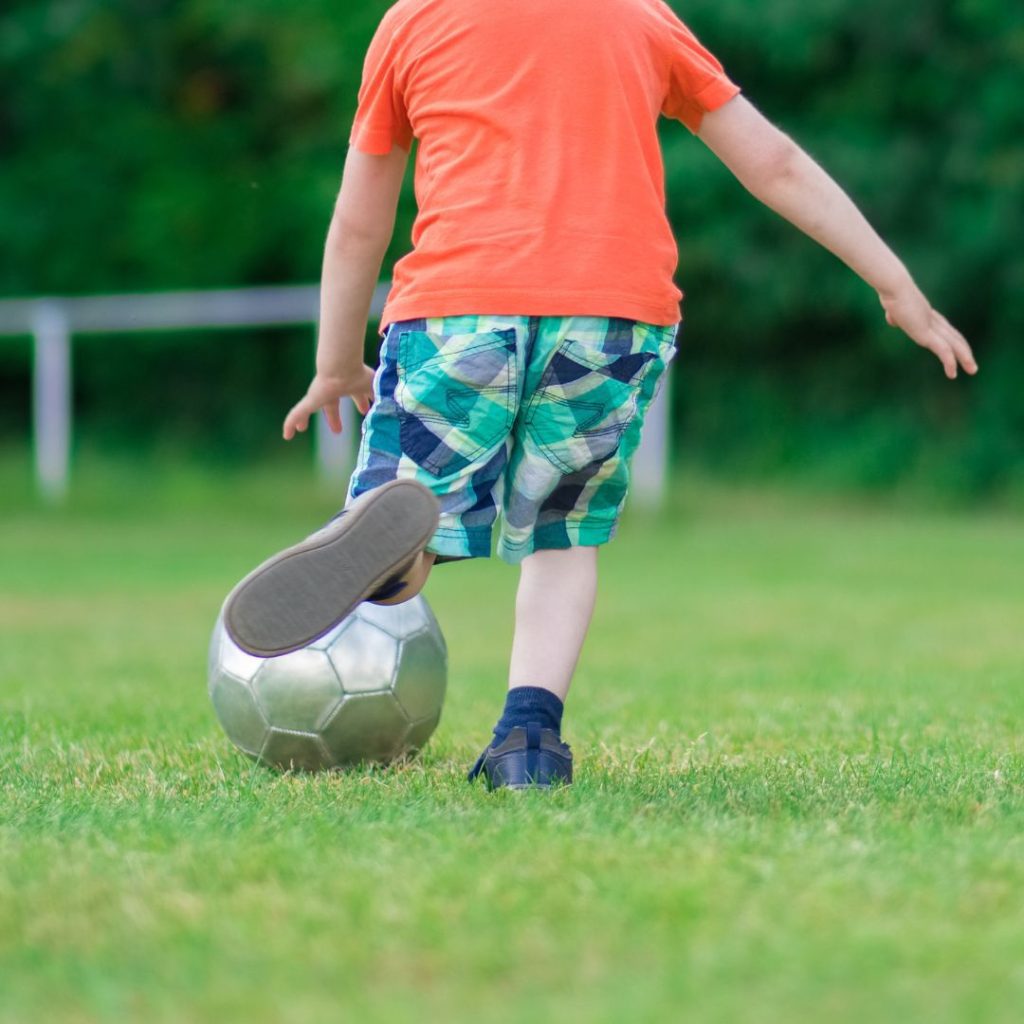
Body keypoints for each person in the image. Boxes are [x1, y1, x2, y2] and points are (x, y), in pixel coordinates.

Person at [224, 0, 977, 789]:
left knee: (414, 508)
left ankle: (394, 558)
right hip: (609, 319)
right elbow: (774, 163)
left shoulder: (416, 19)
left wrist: (337, 361)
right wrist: (896, 287)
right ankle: (528, 742)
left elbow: (360, 219)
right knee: (561, 535)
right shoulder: (642, 17)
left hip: (457, 310)